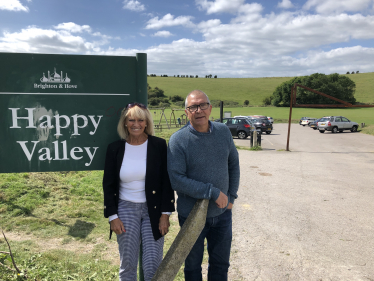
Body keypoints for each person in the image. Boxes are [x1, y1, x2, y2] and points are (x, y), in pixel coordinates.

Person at [167, 90, 240, 281]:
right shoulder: (178, 140)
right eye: (193, 107)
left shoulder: (223, 132)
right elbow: (177, 179)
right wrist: (212, 192)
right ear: (186, 112)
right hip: (191, 216)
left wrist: (231, 197)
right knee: (192, 266)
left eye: (203, 105)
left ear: (210, 108)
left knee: (220, 264)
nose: (199, 110)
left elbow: (233, 163)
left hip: (222, 213)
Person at [103, 102, 175, 281]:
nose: (136, 124)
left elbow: (166, 181)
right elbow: (108, 184)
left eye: (140, 120)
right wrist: (113, 217)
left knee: (153, 265)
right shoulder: (115, 148)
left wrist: (165, 215)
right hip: (126, 209)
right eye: (131, 120)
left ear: (147, 122)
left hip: (154, 210)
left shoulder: (158, 145)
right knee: (127, 265)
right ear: (125, 123)